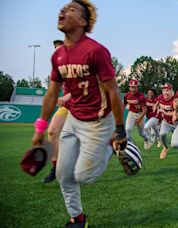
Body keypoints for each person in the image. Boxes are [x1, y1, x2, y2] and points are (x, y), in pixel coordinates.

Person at [31, 0, 127, 226]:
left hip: (98, 122)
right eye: (63, 8)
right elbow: (52, 93)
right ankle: (78, 218)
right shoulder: (58, 56)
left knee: (85, 176)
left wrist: (120, 129)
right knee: (64, 175)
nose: (63, 10)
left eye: (71, 9)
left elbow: (113, 90)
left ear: (83, 22)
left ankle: (109, 147)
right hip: (74, 119)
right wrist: (41, 127)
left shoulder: (96, 51)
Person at [42, 40, 70, 184]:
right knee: (52, 131)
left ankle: (112, 146)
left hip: (83, 106)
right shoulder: (57, 69)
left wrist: (67, 96)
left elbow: (87, 88)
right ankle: (55, 168)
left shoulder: (77, 65)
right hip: (66, 107)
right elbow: (52, 92)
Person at [124, 79, 151, 149]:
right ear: (129, 87)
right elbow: (123, 105)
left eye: (135, 87)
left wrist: (139, 119)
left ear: (137, 87)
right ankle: (129, 144)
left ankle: (147, 138)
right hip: (132, 113)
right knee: (128, 129)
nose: (133, 89)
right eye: (132, 87)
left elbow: (145, 110)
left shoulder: (141, 97)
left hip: (140, 114)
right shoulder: (127, 95)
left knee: (141, 133)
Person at [156, 83, 176, 160]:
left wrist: (164, 112)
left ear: (172, 92)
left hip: (176, 123)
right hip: (166, 122)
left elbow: (176, 113)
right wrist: (155, 106)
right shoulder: (160, 98)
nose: (165, 92)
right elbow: (157, 102)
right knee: (162, 134)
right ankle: (165, 147)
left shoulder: (175, 100)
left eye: (167, 90)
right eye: (164, 90)